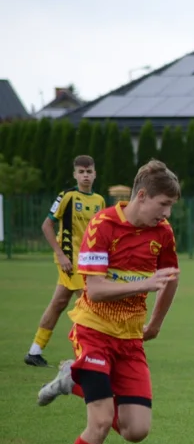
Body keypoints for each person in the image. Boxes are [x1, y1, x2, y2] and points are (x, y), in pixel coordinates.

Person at [36, 160, 182, 444]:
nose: (166, 214)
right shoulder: (103, 226)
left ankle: (73, 381)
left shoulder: (162, 233)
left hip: (131, 339)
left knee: (137, 430)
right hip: (93, 332)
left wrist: (156, 322)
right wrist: (143, 285)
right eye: (163, 205)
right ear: (142, 195)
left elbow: (171, 279)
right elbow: (96, 290)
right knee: (100, 421)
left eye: (171, 208)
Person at [25, 155, 106, 367]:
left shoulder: (99, 201)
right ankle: (89, 354)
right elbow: (46, 225)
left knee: (59, 303)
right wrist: (61, 255)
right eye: (81, 172)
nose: (85, 176)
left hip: (89, 263)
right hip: (70, 261)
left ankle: (35, 351)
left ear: (95, 174)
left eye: (89, 172)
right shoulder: (67, 197)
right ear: (75, 174)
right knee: (90, 306)